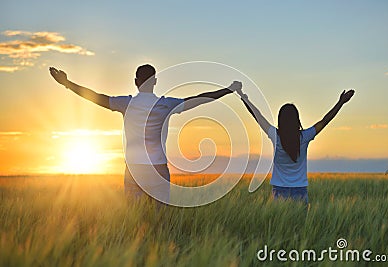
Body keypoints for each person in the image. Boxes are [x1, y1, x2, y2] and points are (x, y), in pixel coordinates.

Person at [49, 65, 242, 204]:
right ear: (155, 81)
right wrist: (229, 90)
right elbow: (199, 99)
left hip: (133, 168)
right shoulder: (166, 104)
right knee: (160, 217)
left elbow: (95, 97)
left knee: (135, 216)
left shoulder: (125, 103)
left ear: (135, 82)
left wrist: (67, 83)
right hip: (158, 167)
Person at [236, 88, 355, 204]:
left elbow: (257, 116)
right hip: (300, 190)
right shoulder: (304, 136)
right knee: (300, 224)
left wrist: (243, 96)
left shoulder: (275, 136)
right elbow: (325, 120)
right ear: (297, 119)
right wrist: (341, 102)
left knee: (280, 224)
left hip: (279, 190)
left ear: (280, 120)